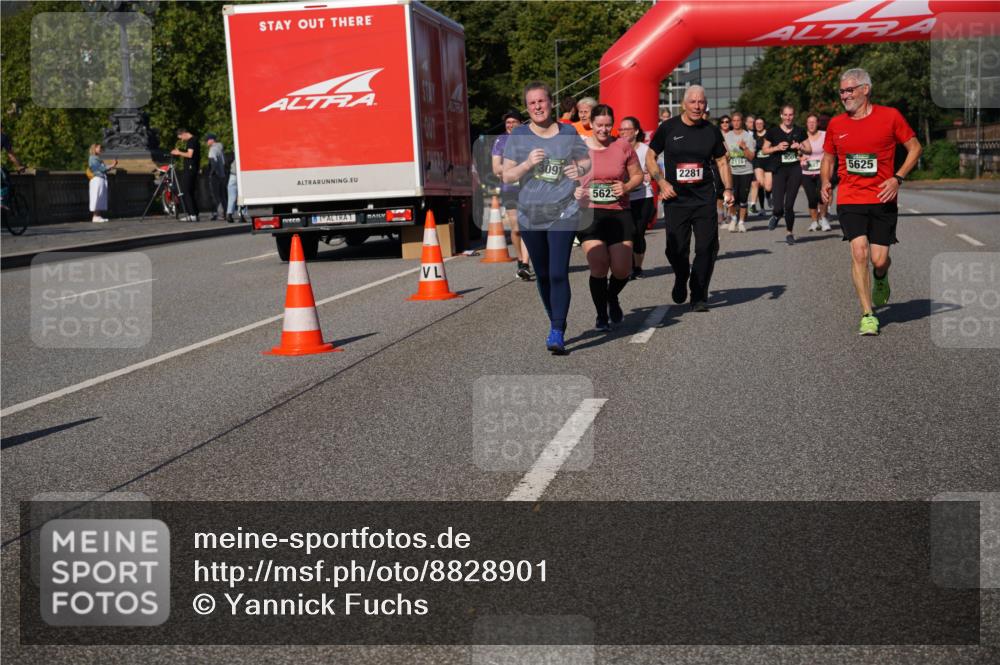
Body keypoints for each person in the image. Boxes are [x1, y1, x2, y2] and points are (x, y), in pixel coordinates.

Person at [821, 68, 921, 336]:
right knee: (859, 252)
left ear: (865, 89)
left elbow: (915, 148)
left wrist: (898, 178)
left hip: (882, 198)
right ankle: (868, 314)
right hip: (850, 198)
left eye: (849, 90)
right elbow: (828, 157)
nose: (844, 96)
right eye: (841, 91)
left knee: (879, 260)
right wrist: (825, 181)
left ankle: (881, 275)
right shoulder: (836, 124)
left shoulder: (890, 116)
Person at [503, 81, 589, 354]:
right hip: (531, 214)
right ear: (527, 108)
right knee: (542, 274)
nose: (538, 106)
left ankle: (557, 329)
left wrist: (578, 169)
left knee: (557, 272)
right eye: (532, 103)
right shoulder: (519, 135)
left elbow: (585, 160)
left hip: (564, 210)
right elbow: (507, 175)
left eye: (541, 101)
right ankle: (555, 320)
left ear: (551, 102)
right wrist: (527, 163)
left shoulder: (568, 132)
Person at [646, 85, 733, 312]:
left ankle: (699, 295)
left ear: (706, 105)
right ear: (684, 104)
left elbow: (722, 161)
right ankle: (681, 275)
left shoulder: (711, 131)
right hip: (676, 200)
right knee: (675, 250)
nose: (697, 106)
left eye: (701, 102)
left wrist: (728, 189)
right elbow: (650, 156)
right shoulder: (668, 128)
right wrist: (661, 182)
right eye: (693, 102)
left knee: (706, 248)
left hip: (704, 199)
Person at [575, 105, 643, 331]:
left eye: (608, 125)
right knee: (599, 265)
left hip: (618, 211)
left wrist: (626, 186)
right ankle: (601, 314)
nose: (604, 130)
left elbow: (638, 175)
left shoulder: (622, 146)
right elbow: (565, 179)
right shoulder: (578, 149)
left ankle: (611, 297)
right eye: (599, 125)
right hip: (589, 212)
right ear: (591, 124)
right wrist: (574, 190)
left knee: (622, 269)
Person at [491, 110, 533, 280]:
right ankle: (520, 259)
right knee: (516, 229)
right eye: (508, 122)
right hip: (510, 189)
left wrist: (512, 168)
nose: (510, 125)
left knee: (527, 226)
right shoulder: (501, 140)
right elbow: (496, 168)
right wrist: (519, 168)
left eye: (514, 122)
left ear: (521, 123)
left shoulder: (528, 139)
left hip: (528, 188)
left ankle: (525, 264)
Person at [763, 105, 809, 244]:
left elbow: (809, 149)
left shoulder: (800, 131)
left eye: (791, 115)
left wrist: (800, 147)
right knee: (778, 207)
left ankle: (789, 233)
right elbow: (764, 150)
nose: (788, 117)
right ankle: (776, 215)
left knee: (789, 206)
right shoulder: (773, 132)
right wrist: (777, 147)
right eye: (786, 115)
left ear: (793, 115)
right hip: (779, 170)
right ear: (781, 115)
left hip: (794, 169)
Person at [619, 116, 654, 279]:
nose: (623, 132)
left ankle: (637, 267)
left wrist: (650, 175)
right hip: (623, 197)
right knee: (626, 233)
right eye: (621, 129)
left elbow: (656, 169)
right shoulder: (616, 148)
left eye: (627, 129)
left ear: (636, 131)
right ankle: (627, 266)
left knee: (638, 232)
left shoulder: (645, 149)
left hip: (642, 196)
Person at [723, 112, 756, 233]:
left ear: (742, 121)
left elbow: (751, 157)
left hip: (746, 171)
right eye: (734, 120)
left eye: (738, 120)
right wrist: (726, 156)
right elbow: (724, 154)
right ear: (732, 122)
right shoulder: (727, 136)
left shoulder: (748, 136)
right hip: (732, 172)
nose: (736, 123)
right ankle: (733, 219)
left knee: (743, 198)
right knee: (732, 198)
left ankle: (741, 222)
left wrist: (744, 148)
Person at [800, 114, 831, 232]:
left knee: (822, 196)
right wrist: (799, 157)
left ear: (818, 123)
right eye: (809, 122)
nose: (811, 124)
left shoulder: (825, 135)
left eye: (814, 122)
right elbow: (795, 152)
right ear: (806, 124)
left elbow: (830, 151)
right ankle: (814, 222)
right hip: (806, 171)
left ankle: (823, 219)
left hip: (822, 171)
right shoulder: (801, 136)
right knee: (811, 198)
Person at [171, 128, 200, 221]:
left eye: (181, 137)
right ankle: (195, 214)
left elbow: (190, 155)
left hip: (190, 169)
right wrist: (181, 150)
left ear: (183, 133)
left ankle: (192, 214)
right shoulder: (195, 140)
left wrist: (178, 152)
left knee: (185, 191)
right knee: (190, 191)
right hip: (193, 169)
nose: (182, 140)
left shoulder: (191, 141)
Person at [87, 143, 117, 223]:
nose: (101, 149)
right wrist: (111, 165)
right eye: (99, 148)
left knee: (100, 197)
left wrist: (112, 165)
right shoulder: (93, 158)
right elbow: (100, 168)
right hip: (97, 179)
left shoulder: (96, 158)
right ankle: (95, 216)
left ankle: (98, 215)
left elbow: (103, 169)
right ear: (94, 149)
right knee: (97, 197)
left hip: (100, 179)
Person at [714, 115, 732, 226]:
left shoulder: (733, 134)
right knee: (719, 191)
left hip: (732, 166)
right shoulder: (716, 134)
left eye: (727, 121)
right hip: (719, 166)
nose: (725, 123)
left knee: (730, 190)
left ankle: (729, 214)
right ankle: (720, 213)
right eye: (722, 122)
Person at [752, 117, 772, 215]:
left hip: (769, 161)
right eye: (757, 123)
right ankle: (762, 208)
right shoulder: (752, 136)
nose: (759, 125)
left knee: (768, 187)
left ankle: (768, 195)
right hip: (758, 161)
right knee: (759, 182)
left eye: (761, 123)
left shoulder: (769, 134)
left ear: (764, 124)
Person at [205, 133, 227, 221]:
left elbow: (213, 162)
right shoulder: (220, 148)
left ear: (211, 140)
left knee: (216, 196)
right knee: (222, 195)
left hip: (216, 176)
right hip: (222, 175)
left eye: (207, 140)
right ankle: (225, 213)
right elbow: (224, 162)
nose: (206, 142)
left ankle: (220, 214)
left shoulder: (212, 149)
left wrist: (211, 173)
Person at [226, 155, 239, 223]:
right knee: (242, 197)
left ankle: (229, 214)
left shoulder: (232, 155)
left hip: (232, 175)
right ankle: (242, 215)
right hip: (241, 175)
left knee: (231, 197)